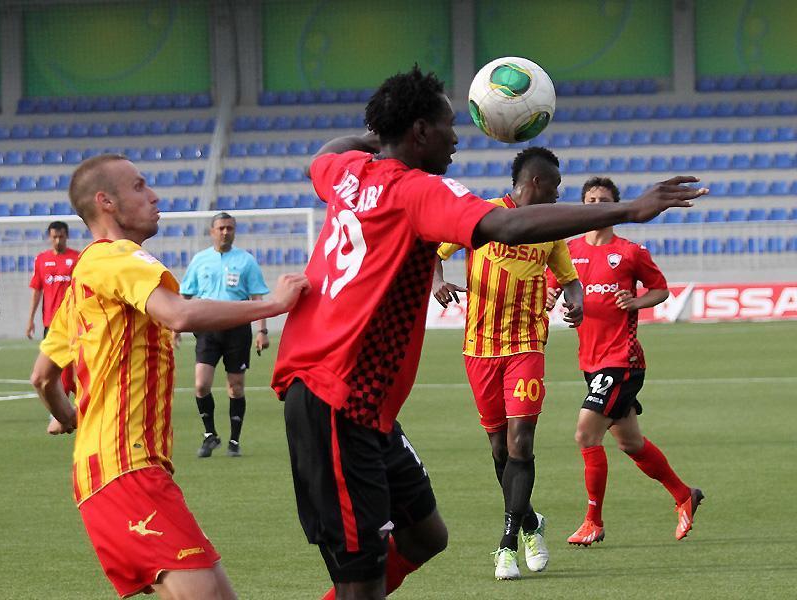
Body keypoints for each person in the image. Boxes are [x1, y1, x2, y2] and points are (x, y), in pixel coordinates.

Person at [270, 65, 706, 600]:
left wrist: (383, 134)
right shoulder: (418, 192)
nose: (457, 138)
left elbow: (324, 153)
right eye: (448, 126)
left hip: (365, 405)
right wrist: (630, 209)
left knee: (426, 536)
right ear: (420, 131)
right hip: (336, 398)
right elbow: (507, 225)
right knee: (360, 580)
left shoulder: (348, 171)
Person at [30, 153, 309, 599]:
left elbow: (43, 378)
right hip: (126, 469)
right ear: (105, 202)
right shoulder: (117, 256)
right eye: (139, 187)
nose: (155, 196)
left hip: (114, 470)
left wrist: (70, 418)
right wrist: (274, 305)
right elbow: (178, 315)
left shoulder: (85, 276)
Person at [433, 146, 583, 580]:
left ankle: (507, 544)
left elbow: (571, 281)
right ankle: (532, 523)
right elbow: (433, 253)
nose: (559, 194)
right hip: (479, 347)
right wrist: (437, 282)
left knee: (521, 443)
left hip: (526, 346)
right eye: (555, 185)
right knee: (500, 450)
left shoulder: (550, 230)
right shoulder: (481, 214)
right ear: (536, 181)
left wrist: (578, 304)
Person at [546, 176, 703, 547]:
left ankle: (593, 522)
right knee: (631, 442)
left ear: (615, 206)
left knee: (586, 434)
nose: (596, 205)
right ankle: (684, 495)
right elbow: (551, 288)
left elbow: (660, 290)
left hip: (622, 360)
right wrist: (549, 299)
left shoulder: (630, 252)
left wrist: (636, 302)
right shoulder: (568, 251)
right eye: (590, 200)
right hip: (590, 361)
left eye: (603, 200)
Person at [179, 212, 270, 458]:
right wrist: (175, 327)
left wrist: (262, 330)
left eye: (229, 228)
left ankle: (234, 441)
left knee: (236, 387)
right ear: (212, 231)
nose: (225, 232)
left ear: (234, 231)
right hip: (207, 327)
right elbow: (185, 295)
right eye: (221, 228)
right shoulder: (200, 260)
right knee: (201, 384)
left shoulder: (246, 261)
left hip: (237, 328)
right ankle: (210, 435)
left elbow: (257, 298)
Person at [27, 221, 80, 433]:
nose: (58, 240)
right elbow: (36, 291)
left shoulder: (77, 259)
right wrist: (30, 319)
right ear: (50, 237)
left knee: (72, 367)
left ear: (67, 236)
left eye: (61, 236)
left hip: (73, 322)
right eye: (54, 237)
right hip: (51, 323)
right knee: (53, 369)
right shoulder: (42, 259)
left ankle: (63, 413)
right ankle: (67, 410)